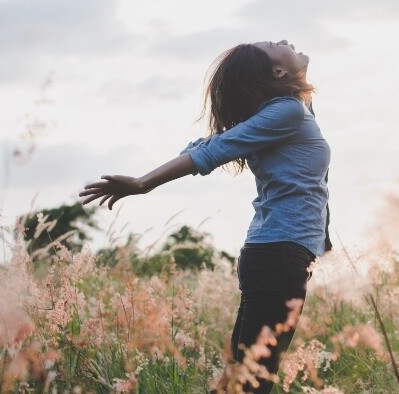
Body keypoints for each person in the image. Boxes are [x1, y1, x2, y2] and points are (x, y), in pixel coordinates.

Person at [79, 39, 331, 393]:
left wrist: (295, 71)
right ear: (277, 71)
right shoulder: (285, 113)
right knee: (252, 377)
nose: (283, 40)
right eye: (275, 45)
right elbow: (212, 150)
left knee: (240, 374)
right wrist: (143, 183)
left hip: (277, 251)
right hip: (280, 253)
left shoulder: (290, 111)